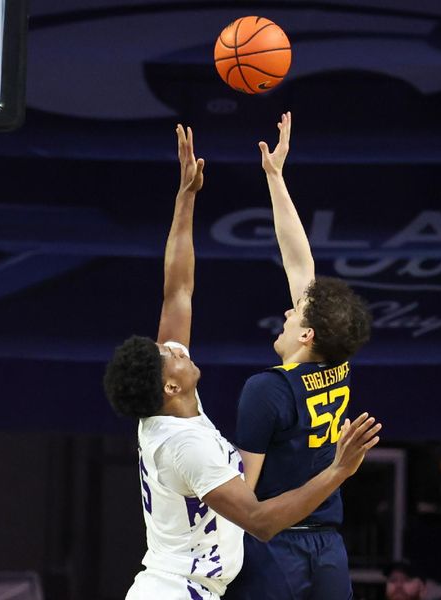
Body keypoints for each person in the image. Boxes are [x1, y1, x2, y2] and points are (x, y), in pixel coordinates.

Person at [103, 123, 381, 600]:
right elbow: (255, 517)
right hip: (183, 585)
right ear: (170, 386)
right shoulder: (190, 442)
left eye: (168, 346)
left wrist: (186, 196)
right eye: (169, 354)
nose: (175, 347)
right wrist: (337, 472)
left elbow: (178, 290)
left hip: (205, 583)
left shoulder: (180, 406)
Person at [224, 113, 373, 600]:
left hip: (277, 548)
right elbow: (299, 260)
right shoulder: (337, 362)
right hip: (330, 546)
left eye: (296, 313)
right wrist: (275, 177)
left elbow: (245, 496)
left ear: (307, 334)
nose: (287, 310)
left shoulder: (267, 389)